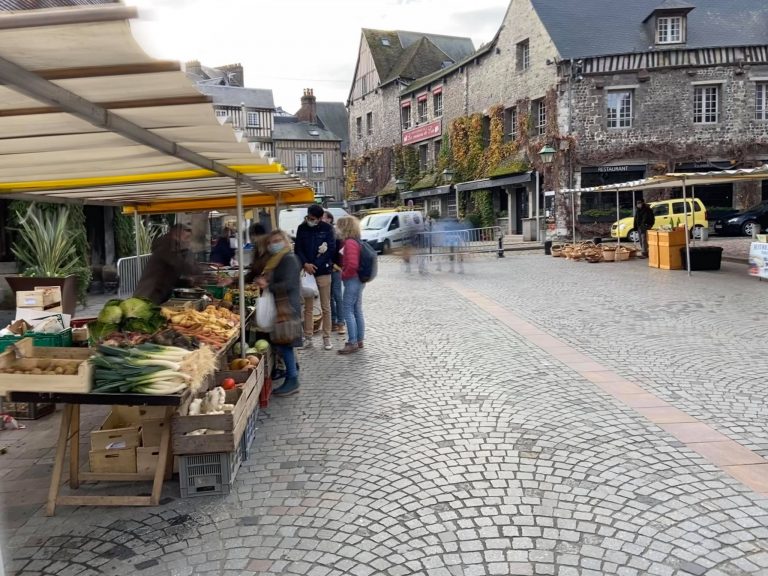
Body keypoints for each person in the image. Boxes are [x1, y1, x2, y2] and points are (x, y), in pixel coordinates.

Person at [255, 229, 302, 397]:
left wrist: (268, 286)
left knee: (285, 342)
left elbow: (288, 284)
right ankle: (292, 371)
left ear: (284, 241)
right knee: (283, 341)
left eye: (277, 240)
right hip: (282, 305)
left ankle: (292, 380)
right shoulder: (278, 260)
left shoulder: (289, 259)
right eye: (270, 242)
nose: (273, 244)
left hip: (287, 306)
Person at [293, 204, 335, 350]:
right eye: (308, 217)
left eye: (312, 218)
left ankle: (326, 337)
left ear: (318, 218)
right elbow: (298, 248)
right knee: (308, 306)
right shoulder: (302, 228)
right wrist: (305, 264)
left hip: (323, 270)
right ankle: (308, 336)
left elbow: (330, 249)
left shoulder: (327, 228)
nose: (309, 220)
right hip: (307, 271)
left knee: (325, 306)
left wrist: (315, 264)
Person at [133, 223, 201, 305]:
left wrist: (187, 283)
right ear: (176, 233)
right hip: (148, 295)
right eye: (186, 236)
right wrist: (199, 273)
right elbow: (181, 265)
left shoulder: (175, 247)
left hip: (159, 295)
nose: (188, 240)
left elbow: (170, 276)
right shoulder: (167, 246)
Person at [336, 215, 365, 355]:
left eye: (339, 226)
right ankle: (359, 339)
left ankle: (352, 341)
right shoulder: (356, 241)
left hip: (352, 279)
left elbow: (352, 264)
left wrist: (343, 274)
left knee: (347, 309)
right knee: (357, 309)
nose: (337, 229)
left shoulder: (349, 243)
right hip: (358, 279)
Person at [322, 210, 346, 335]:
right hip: (326, 269)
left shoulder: (336, 233)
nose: (322, 219)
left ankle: (341, 322)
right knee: (329, 297)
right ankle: (333, 322)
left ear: (330, 219)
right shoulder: (320, 232)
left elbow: (340, 252)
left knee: (337, 295)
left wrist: (337, 265)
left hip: (335, 268)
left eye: (324, 218)